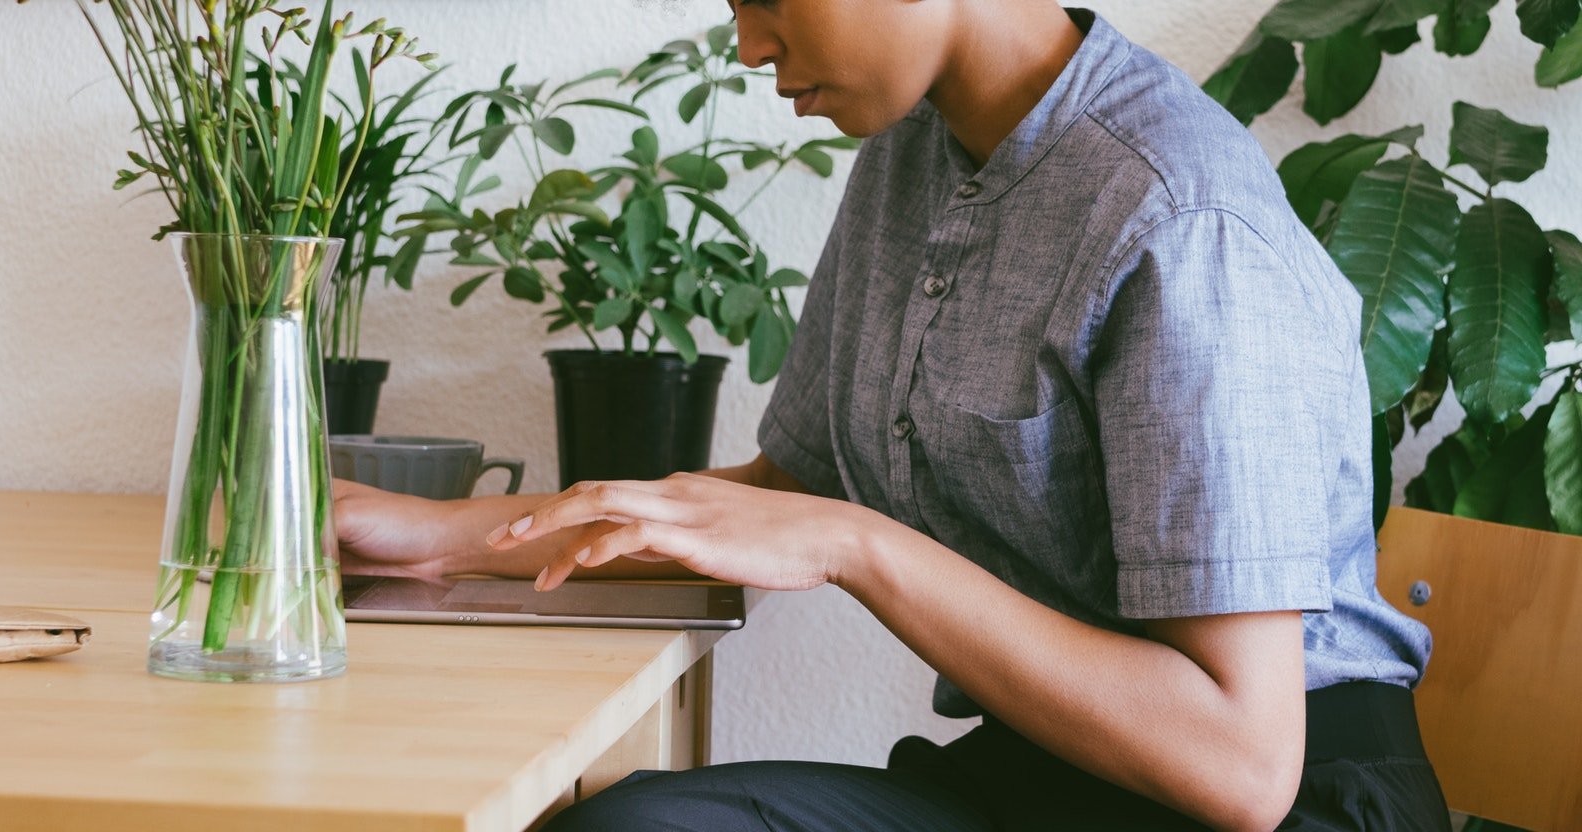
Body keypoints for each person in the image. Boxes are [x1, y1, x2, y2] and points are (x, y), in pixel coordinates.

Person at [330, 1, 1452, 829]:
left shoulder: (1180, 214)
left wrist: (859, 544)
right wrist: (434, 542)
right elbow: (781, 500)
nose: (749, 45)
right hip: (1044, 785)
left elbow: (1241, 766)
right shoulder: (913, 157)